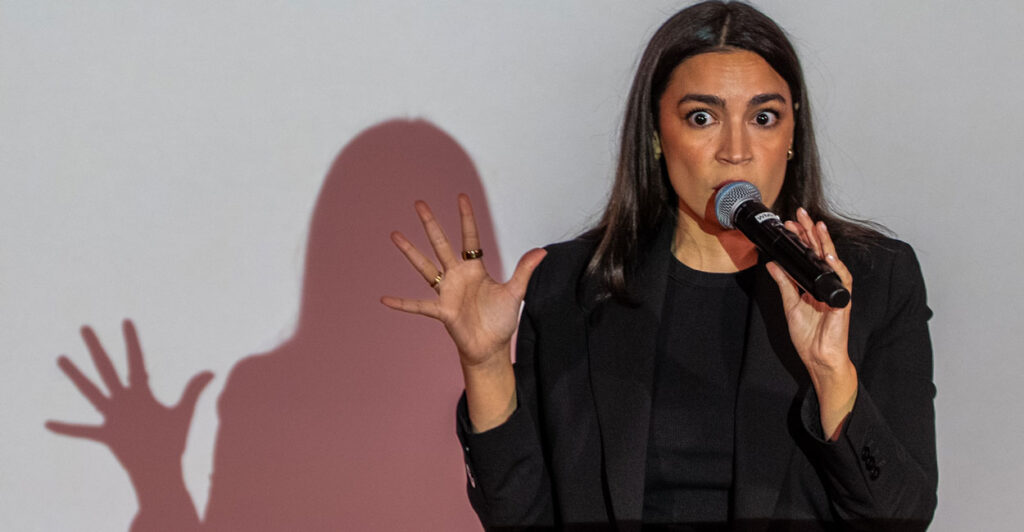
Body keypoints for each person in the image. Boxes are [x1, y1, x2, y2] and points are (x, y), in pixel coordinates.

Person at [382, 2, 937, 530]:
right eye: (702, 117)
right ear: (655, 135)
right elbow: (522, 520)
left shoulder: (868, 281)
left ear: (793, 135)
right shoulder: (574, 284)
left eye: (765, 117)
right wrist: (483, 366)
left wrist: (832, 375)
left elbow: (900, 519)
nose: (736, 149)